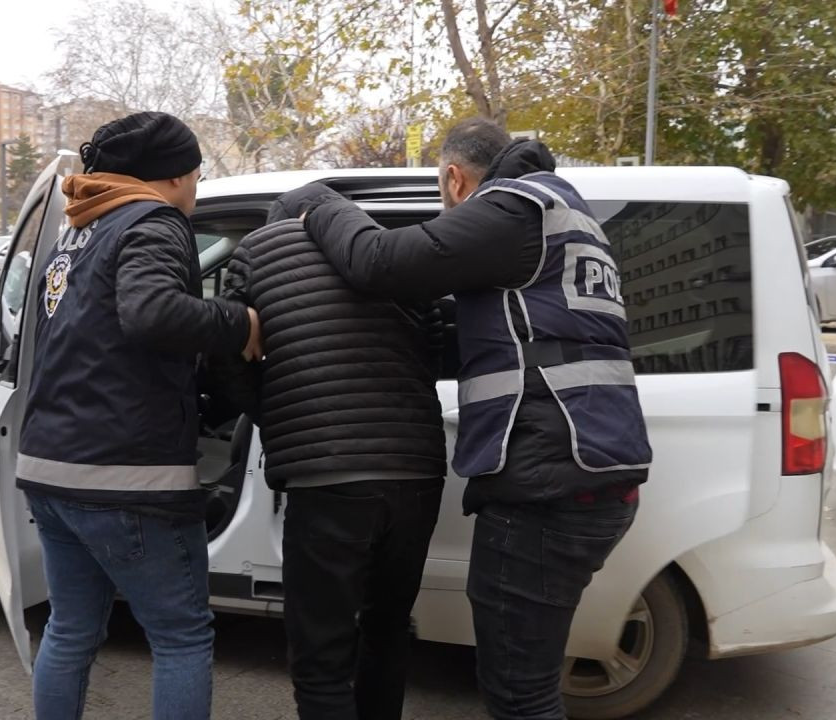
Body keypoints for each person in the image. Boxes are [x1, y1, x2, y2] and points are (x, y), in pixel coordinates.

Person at [279, 117, 652, 720]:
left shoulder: (513, 209)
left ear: (455, 179)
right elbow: (515, 334)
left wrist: (321, 203)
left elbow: (380, 262)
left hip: (547, 482)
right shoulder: (566, 215)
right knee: (526, 683)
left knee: (519, 695)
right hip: (591, 470)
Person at [16, 111, 261, 720]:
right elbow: (151, 313)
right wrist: (243, 324)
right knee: (181, 637)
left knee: (70, 630)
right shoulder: (153, 220)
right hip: (126, 477)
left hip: (50, 469)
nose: (196, 194)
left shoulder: (76, 234)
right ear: (175, 176)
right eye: (197, 179)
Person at [207, 197, 448, 719]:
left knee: (322, 657)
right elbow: (435, 346)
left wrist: (276, 415)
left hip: (329, 479)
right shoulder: (387, 249)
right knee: (386, 630)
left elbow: (227, 347)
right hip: (417, 471)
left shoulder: (257, 249)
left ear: (281, 220)